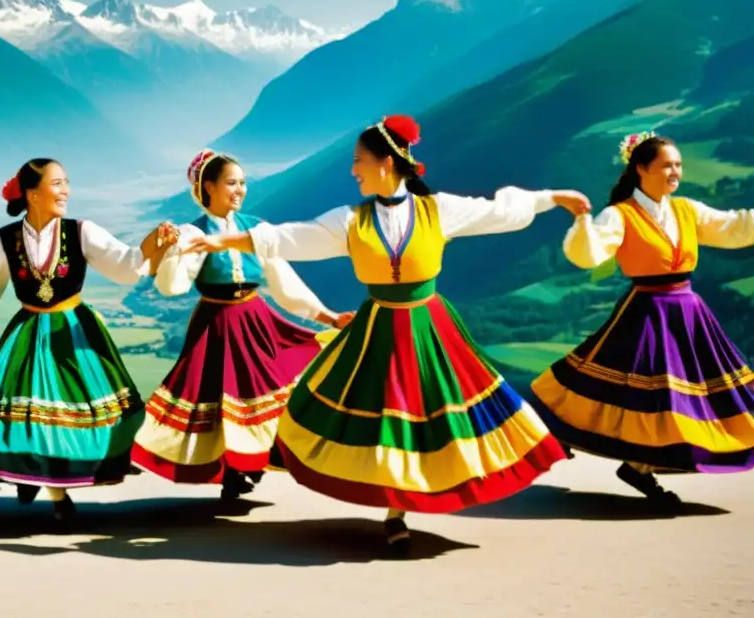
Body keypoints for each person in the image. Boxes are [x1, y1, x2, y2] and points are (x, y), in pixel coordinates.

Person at [180, 115, 591, 551]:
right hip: (379, 328)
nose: (353, 169)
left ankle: (416, 500)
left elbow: (497, 211)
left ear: (386, 163)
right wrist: (223, 242)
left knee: (442, 411)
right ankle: (396, 510)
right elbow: (292, 238)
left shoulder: (438, 210)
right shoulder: (350, 221)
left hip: (428, 326)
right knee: (387, 420)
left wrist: (554, 197)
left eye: (359, 160)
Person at [0, 158, 177, 522]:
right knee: (35, 412)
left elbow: (126, 267)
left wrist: (152, 246)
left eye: (66, 183)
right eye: (57, 184)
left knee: (64, 413)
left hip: (73, 333)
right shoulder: (5, 239)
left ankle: (45, 480)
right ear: (32, 195)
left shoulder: (82, 231)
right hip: (29, 334)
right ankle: (55, 493)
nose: (66, 191)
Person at [531, 132, 754, 507]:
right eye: (667, 165)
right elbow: (590, 252)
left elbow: (732, 226)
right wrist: (584, 224)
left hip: (688, 310)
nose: (675, 172)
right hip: (648, 312)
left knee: (681, 395)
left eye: (679, 165)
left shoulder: (686, 210)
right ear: (641, 168)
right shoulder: (620, 214)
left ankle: (639, 466)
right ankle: (596, 446)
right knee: (645, 394)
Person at [131, 150, 352, 499]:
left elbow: (284, 281)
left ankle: (256, 461)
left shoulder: (257, 229)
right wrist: (172, 252)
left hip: (255, 318)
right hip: (216, 325)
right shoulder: (193, 233)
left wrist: (327, 316)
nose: (240, 189)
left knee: (270, 392)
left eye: (243, 182)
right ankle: (234, 475)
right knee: (223, 400)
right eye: (232, 182)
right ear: (209, 187)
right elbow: (172, 287)